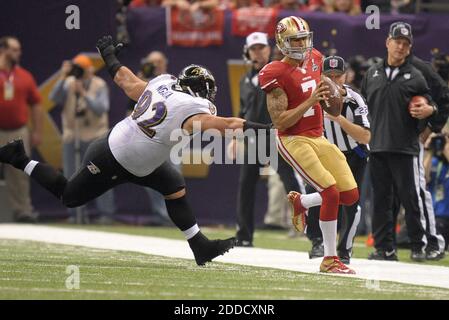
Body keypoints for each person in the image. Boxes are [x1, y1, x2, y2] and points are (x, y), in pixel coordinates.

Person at [0, 35, 270, 266]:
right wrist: (268, 129)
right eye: (207, 92)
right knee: (69, 196)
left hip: (142, 159)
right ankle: (19, 158)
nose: (208, 99)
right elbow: (227, 124)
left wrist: (108, 55)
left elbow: (126, 82)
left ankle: (199, 246)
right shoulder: (190, 107)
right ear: (198, 90)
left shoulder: (163, 83)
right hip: (113, 155)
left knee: (174, 185)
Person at [259, 16, 359, 274]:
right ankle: (329, 258)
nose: (302, 44)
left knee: (350, 195)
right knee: (331, 193)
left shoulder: (315, 57)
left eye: (304, 38)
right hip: (292, 138)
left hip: (318, 136)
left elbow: (328, 96)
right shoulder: (274, 72)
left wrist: (336, 94)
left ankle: (302, 201)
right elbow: (280, 122)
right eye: (295, 40)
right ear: (282, 42)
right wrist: (310, 101)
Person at [361, 22, 439, 261]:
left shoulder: (415, 76)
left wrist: (429, 110)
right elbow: (364, 107)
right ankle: (384, 248)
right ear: (388, 42)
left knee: (411, 198)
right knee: (380, 200)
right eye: (397, 42)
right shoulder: (372, 73)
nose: (401, 47)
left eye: (405, 44)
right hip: (377, 147)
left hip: (405, 147)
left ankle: (420, 245)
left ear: (409, 47)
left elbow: (428, 104)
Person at [227, 32, 301, 246]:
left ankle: (312, 231)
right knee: (246, 186)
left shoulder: (278, 72)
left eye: (261, 48)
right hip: (252, 138)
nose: (258, 52)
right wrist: (234, 137)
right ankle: (244, 236)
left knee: (291, 182)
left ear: (269, 50)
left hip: (275, 135)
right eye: (254, 49)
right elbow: (243, 111)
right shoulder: (245, 80)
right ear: (247, 52)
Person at [304, 56, 370, 264]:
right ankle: (318, 242)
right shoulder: (312, 98)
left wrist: (338, 118)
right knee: (317, 195)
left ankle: (344, 251)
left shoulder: (354, 99)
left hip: (354, 154)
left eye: (338, 76)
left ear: (346, 75)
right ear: (320, 76)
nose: (333, 80)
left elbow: (366, 136)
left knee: (351, 202)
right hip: (325, 154)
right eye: (328, 76)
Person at [49, 54, 116, 224]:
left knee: (101, 177)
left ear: (89, 70)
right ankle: (75, 214)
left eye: (81, 69)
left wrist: (84, 94)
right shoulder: (68, 83)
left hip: (95, 137)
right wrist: (63, 76)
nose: (78, 72)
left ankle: (106, 215)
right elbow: (53, 98)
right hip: (73, 136)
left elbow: (101, 109)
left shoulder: (99, 85)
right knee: (71, 177)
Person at [0, 36, 43, 223]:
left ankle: (23, 211)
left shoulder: (25, 76)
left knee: (19, 173)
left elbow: (36, 105)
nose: (19, 53)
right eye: (15, 49)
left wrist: (37, 131)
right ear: (4, 50)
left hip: (18, 131)